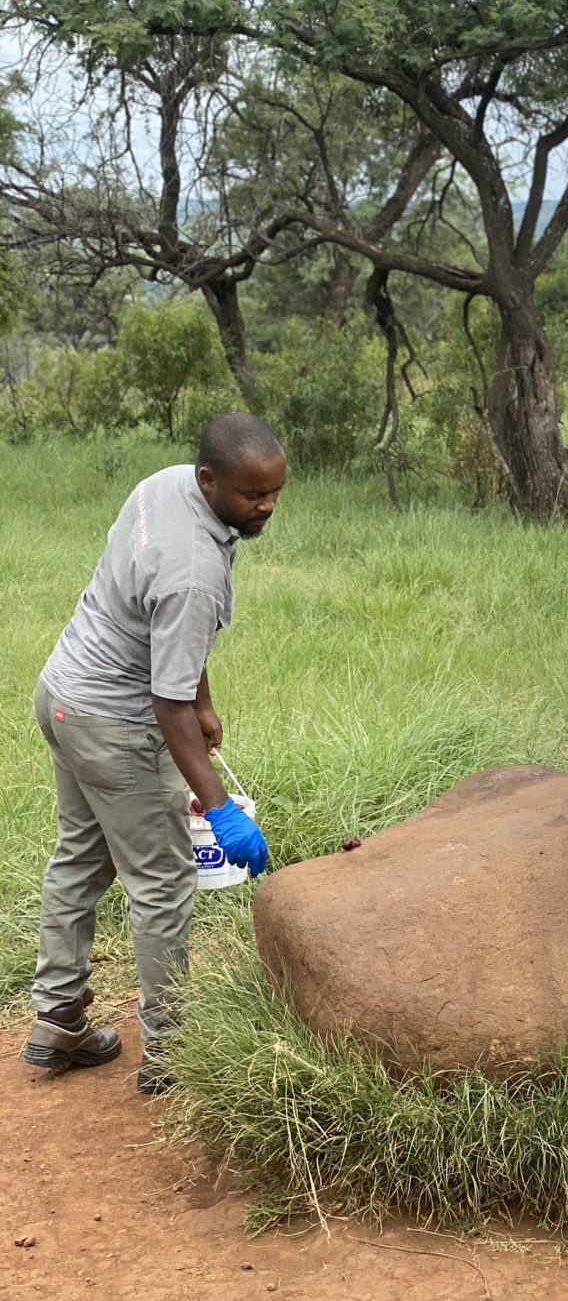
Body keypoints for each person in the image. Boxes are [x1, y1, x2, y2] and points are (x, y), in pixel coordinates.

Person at [23, 412, 286, 1094]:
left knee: (79, 857)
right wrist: (223, 809)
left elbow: (161, 632)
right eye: (252, 496)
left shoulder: (163, 486)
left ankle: (58, 1019)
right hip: (114, 721)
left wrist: (202, 700)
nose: (266, 507)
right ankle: (171, 1051)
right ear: (210, 480)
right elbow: (165, 706)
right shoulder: (194, 570)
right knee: (164, 884)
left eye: (275, 492)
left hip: (63, 695)